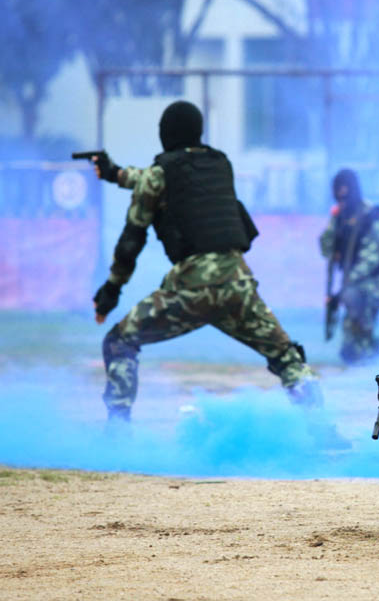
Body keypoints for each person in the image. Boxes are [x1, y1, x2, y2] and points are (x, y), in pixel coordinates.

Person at [88, 100, 324, 424]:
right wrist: (114, 173)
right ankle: (323, 429)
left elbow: (132, 238)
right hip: (238, 284)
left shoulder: (158, 174)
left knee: (118, 340)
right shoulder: (219, 164)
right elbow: (158, 180)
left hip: (191, 290)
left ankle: (117, 432)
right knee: (286, 356)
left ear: (165, 134)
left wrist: (111, 289)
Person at [319, 169, 379, 363]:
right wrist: (334, 223)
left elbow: (369, 261)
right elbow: (326, 249)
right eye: (338, 194)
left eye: (346, 192)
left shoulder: (375, 217)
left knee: (354, 298)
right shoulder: (341, 219)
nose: (343, 198)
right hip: (354, 285)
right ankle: (372, 349)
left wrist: (341, 293)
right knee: (349, 351)